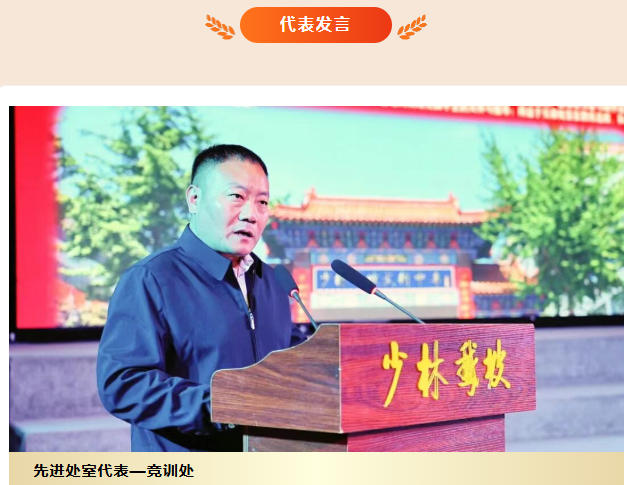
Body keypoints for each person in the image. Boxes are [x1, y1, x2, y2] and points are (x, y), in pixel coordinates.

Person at [97, 144, 304, 451]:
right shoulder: (152, 279)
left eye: (262, 202)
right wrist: (224, 405)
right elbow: (123, 384)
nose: (251, 214)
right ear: (194, 199)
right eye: (236, 197)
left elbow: (295, 362)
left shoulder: (271, 281)